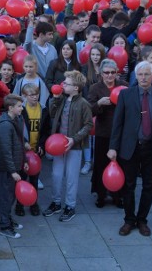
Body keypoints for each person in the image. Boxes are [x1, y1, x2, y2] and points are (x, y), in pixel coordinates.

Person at [108, 61, 152, 236]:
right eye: (140, 74)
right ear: (135, 76)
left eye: (147, 74)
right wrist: (113, 147)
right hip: (129, 147)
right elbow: (117, 123)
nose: (143, 78)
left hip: (151, 148)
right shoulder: (125, 95)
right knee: (128, 186)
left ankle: (142, 220)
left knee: (149, 186)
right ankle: (129, 220)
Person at [43, 71, 93, 222]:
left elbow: (89, 124)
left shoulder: (83, 104)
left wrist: (74, 139)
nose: (63, 84)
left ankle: (70, 205)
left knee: (71, 177)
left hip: (74, 146)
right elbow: (51, 113)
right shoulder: (62, 99)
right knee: (56, 175)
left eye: (67, 83)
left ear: (76, 88)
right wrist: (55, 99)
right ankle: (56, 202)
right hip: (58, 145)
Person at [87, 58, 125, 208]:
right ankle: (101, 195)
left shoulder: (124, 86)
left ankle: (118, 195)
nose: (110, 76)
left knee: (120, 163)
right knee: (101, 164)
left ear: (117, 73)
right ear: (101, 74)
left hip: (120, 132)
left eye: (112, 72)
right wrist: (99, 104)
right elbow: (89, 110)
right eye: (106, 73)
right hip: (103, 131)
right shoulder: (95, 88)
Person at [0, 94, 27, 239]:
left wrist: (24, 160)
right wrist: (13, 170)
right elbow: (6, 150)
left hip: (16, 164)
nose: (22, 108)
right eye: (19, 106)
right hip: (8, 167)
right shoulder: (5, 125)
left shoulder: (17, 119)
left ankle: (7, 219)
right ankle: (5, 226)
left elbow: (20, 143)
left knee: (11, 195)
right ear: (10, 108)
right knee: (6, 196)